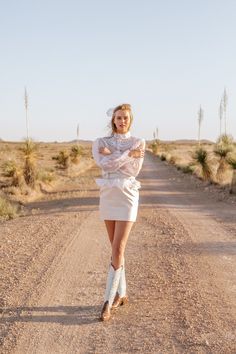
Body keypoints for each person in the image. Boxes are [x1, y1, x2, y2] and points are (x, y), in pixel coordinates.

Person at [92, 103, 145, 321]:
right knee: (115, 249)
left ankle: (107, 301)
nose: (122, 121)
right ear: (113, 120)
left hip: (128, 196)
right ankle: (122, 294)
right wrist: (125, 154)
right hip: (108, 195)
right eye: (118, 117)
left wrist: (115, 154)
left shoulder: (139, 142)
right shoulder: (99, 142)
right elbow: (105, 165)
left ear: (130, 120)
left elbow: (134, 169)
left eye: (125, 118)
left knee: (118, 247)